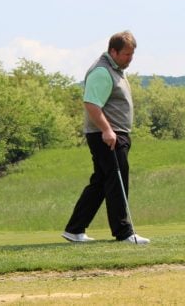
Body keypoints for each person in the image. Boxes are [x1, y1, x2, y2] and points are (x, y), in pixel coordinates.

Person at [62, 31, 150, 245]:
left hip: (112, 133)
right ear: (113, 51)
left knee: (101, 183)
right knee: (117, 182)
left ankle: (74, 229)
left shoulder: (115, 69)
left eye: (132, 54)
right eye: (126, 54)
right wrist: (107, 130)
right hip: (109, 135)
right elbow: (92, 103)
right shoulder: (103, 71)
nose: (130, 59)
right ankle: (124, 232)